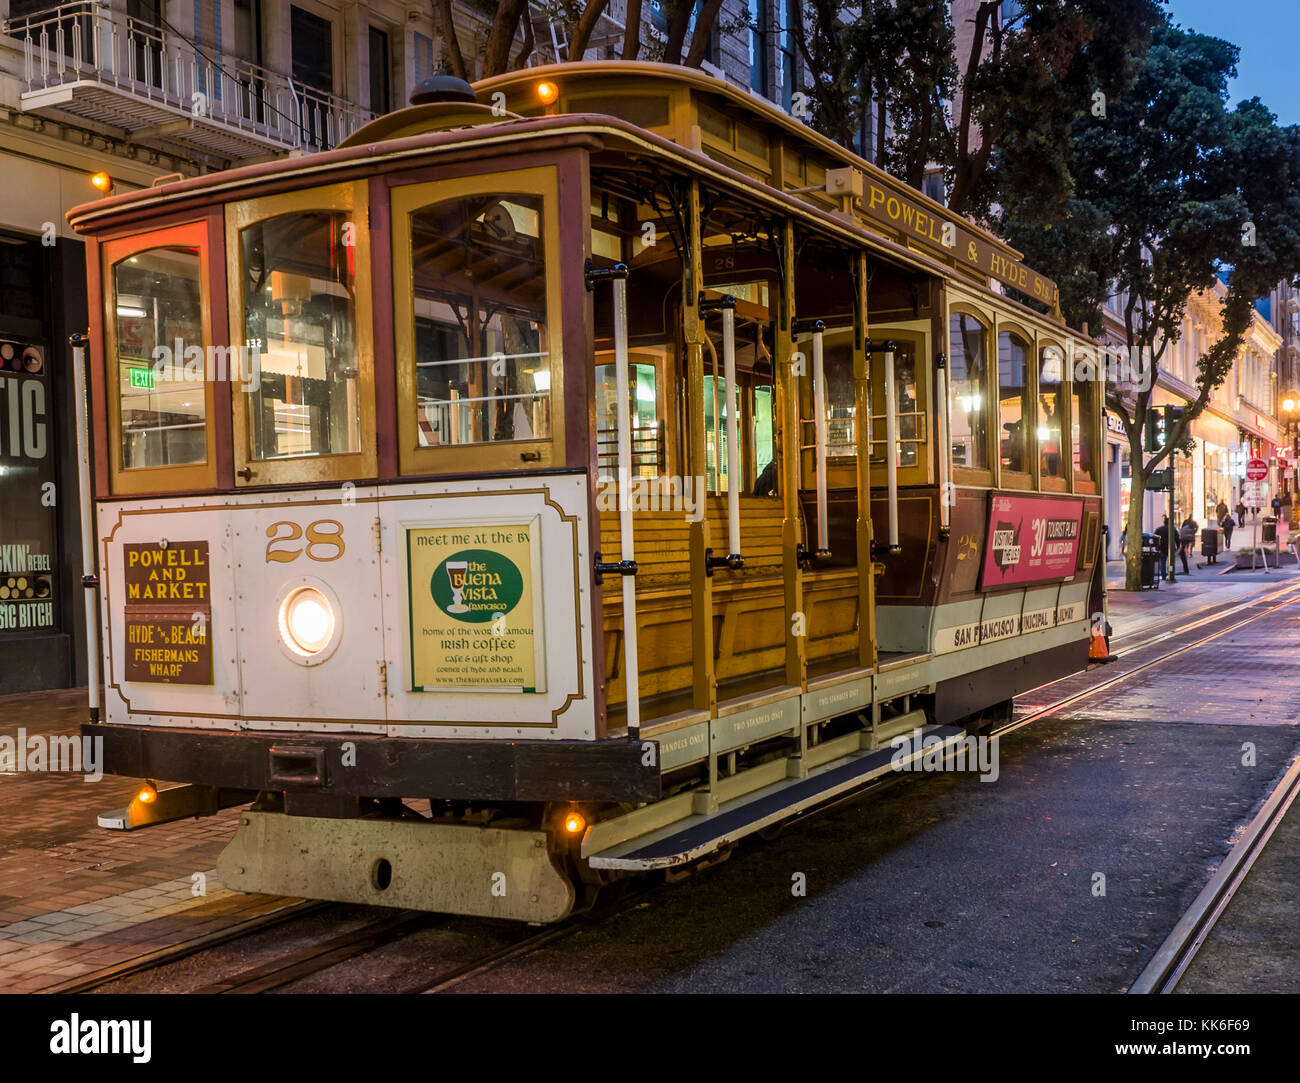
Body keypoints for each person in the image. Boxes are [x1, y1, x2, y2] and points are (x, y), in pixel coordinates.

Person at [1154, 516, 1170, 580]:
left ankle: (1163, 575)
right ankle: (1171, 573)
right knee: (1171, 562)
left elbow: (1154, 538)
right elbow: (1177, 538)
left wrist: (1156, 546)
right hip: (1169, 548)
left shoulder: (1159, 529)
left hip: (1162, 547)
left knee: (1163, 561)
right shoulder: (1172, 529)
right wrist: (1177, 546)